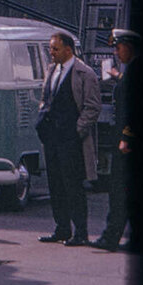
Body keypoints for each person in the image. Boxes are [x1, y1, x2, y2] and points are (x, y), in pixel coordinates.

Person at [36, 30, 101, 245]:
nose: (51, 52)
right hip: (52, 138)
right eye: (50, 48)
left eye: (55, 48)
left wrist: (77, 131)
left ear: (68, 49)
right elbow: (46, 98)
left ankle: (80, 232)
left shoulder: (85, 73)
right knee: (55, 184)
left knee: (73, 185)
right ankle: (62, 228)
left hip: (71, 139)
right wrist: (42, 120)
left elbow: (92, 107)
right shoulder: (52, 70)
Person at [93, 29, 142, 251]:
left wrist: (126, 138)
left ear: (129, 46)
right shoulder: (132, 71)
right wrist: (117, 76)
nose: (116, 51)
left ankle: (110, 237)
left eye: (118, 46)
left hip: (129, 144)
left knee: (119, 191)